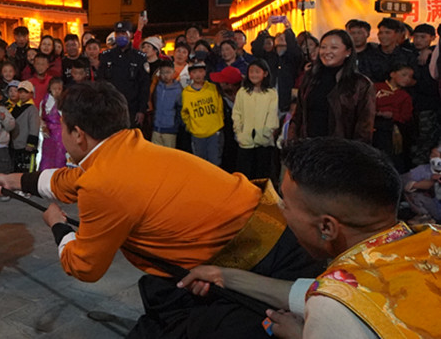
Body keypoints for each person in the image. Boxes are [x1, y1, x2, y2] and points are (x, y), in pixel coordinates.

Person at [0, 81, 321, 339]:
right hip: (269, 235)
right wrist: (14, 180)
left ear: (78, 134)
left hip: (263, 261)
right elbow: (71, 180)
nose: (58, 132)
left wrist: (57, 224)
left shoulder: (103, 183)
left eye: (62, 126)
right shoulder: (128, 147)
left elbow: (84, 266)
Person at [179, 138, 441, 339]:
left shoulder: (332, 310)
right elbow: (329, 290)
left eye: (285, 203)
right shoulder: (429, 237)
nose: (279, 210)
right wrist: (225, 276)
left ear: (326, 226)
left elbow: (335, 301)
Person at [289, 29, 375, 143]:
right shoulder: (310, 77)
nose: (327, 52)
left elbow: (364, 127)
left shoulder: (360, 84)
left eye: (334, 48)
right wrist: (293, 141)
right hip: (308, 147)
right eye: (323, 47)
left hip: (341, 149)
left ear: (348, 51)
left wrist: (353, 151)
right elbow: (298, 116)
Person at [233, 59, 279, 180]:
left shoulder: (271, 93)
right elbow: (237, 113)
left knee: (262, 175)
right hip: (245, 140)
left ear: (265, 73)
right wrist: (239, 133)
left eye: (257, 72)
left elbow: (272, 115)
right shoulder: (242, 92)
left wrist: (266, 133)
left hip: (264, 142)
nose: (254, 75)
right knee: (245, 175)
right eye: (251, 72)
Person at [97, 20, 149, 127]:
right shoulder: (106, 56)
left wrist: (141, 110)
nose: (121, 36)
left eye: (124, 33)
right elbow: (101, 83)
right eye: (118, 33)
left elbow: (144, 86)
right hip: (111, 108)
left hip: (132, 108)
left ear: (131, 35)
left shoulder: (139, 57)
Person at [251, 17, 302, 113]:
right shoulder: (268, 57)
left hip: (286, 103)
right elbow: (256, 49)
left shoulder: (291, 58)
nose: (281, 38)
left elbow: (295, 49)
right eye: (278, 37)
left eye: (284, 37)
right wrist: (266, 28)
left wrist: (288, 29)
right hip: (267, 104)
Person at [181, 62, 224, 166]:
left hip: (214, 133)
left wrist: (218, 124)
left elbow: (220, 107)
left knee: (215, 163)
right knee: (200, 164)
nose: (198, 75)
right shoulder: (186, 93)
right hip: (197, 134)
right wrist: (191, 127)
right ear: (190, 75)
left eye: (200, 71)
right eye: (194, 72)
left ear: (205, 72)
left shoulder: (212, 88)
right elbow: (185, 113)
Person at [408, 23, 439, 167]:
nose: (418, 40)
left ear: (432, 37)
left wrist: (431, 50)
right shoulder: (408, 53)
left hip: (428, 107)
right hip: (409, 106)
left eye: (423, 37)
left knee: (425, 142)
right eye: (416, 37)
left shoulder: (435, 54)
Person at [373, 63, 414, 169]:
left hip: (391, 129)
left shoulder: (405, 96)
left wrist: (392, 115)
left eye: (410, 77)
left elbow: (406, 116)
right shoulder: (376, 87)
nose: (407, 79)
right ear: (392, 74)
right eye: (404, 75)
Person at [149, 60, 182, 148]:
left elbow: (180, 110)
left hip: (170, 129)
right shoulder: (156, 86)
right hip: (156, 128)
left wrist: (176, 126)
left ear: (173, 73)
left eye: (168, 72)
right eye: (162, 72)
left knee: (169, 153)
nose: (165, 75)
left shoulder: (178, 90)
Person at [11, 81, 40, 173]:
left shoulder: (32, 109)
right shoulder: (16, 107)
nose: (22, 95)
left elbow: (34, 127)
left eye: (25, 92)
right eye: (20, 92)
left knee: (27, 170)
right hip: (16, 144)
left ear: (31, 94)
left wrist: (31, 143)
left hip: (26, 145)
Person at [39, 78, 67, 170]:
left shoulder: (65, 101)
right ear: (50, 88)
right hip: (48, 134)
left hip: (61, 133)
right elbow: (40, 117)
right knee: (47, 158)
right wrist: (43, 127)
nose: (57, 91)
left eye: (59, 89)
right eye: (54, 88)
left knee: (60, 157)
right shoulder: (44, 101)